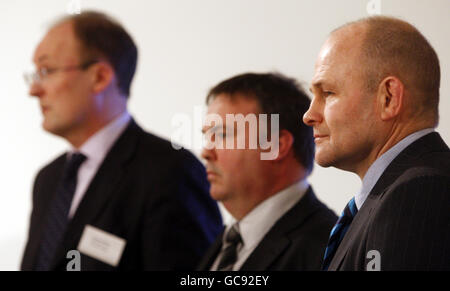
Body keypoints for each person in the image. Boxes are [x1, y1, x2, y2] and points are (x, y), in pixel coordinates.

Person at [21, 11, 222, 271]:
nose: (34, 90)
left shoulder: (170, 171)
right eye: (35, 74)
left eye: (46, 71)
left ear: (100, 77)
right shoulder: (48, 179)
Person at [303, 16, 450, 271]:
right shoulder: (397, 191)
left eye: (328, 93)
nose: (308, 115)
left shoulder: (419, 191)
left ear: (389, 98)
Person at [197, 73, 337, 271]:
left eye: (221, 135)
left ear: (276, 146)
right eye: (207, 137)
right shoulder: (228, 241)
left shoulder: (329, 249)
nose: (206, 152)